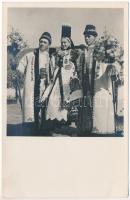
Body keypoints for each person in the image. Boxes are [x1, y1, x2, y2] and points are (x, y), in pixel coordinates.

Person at [43, 25, 81, 129]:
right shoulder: (57, 53)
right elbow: (53, 64)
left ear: (69, 42)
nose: (63, 44)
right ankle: (55, 119)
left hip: (68, 78)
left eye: (65, 42)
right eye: (62, 42)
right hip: (58, 77)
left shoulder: (74, 53)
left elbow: (76, 66)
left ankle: (65, 120)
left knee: (66, 98)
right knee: (54, 98)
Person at [17, 32, 53, 132]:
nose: (42, 43)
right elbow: (20, 67)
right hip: (32, 86)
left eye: (45, 42)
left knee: (44, 109)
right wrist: (19, 73)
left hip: (45, 87)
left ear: (48, 44)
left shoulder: (49, 57)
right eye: (41, 41)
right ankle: (33, 128)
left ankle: (43, 129)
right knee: (32, 108)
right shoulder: (30, 55)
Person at [77, 24, 98, 135]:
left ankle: (94, 126)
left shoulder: (99, 50)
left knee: (95, 103)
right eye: (85, 36)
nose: (87, 38)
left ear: (95, 37)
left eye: (89, 36)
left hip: (95, 80)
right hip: (85, 80)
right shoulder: (84, 51)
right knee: (85, 103)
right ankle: (85, 127)